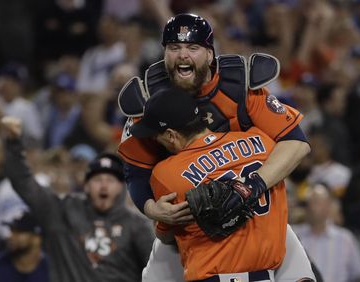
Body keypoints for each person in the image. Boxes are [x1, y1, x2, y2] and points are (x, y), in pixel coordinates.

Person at [117, 13, 315, 282]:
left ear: (210, 54)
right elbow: (135, 171)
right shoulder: (152, 100)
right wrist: (152, 209)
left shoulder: (239, 88)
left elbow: (296, 142)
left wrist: (252, 186)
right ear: (164, 53)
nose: (183, 55)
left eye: (192, 47)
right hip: (190, 222)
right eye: (174, 48)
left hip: (259, 215)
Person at [132, 86, 289, 281]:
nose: (156, 141)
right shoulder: (264, 142)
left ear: (171, 135)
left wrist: (159, 218)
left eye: (157, 136)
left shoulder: (166, 173)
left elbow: (166, 237)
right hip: (267, 275)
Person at [1, 116, 154, 282]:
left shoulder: (136, 225)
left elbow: (154, 273)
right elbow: (23, 183)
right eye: (97, 180)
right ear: (86, 186)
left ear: (120, 187)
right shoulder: (62, 210)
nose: (103, 186)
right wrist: (13, 143)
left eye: (110, 180)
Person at [0, 212, 49, 282]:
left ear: (36, 239)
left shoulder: (52, 271)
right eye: (12, 231)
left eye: (18, 232)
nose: (10, 236)